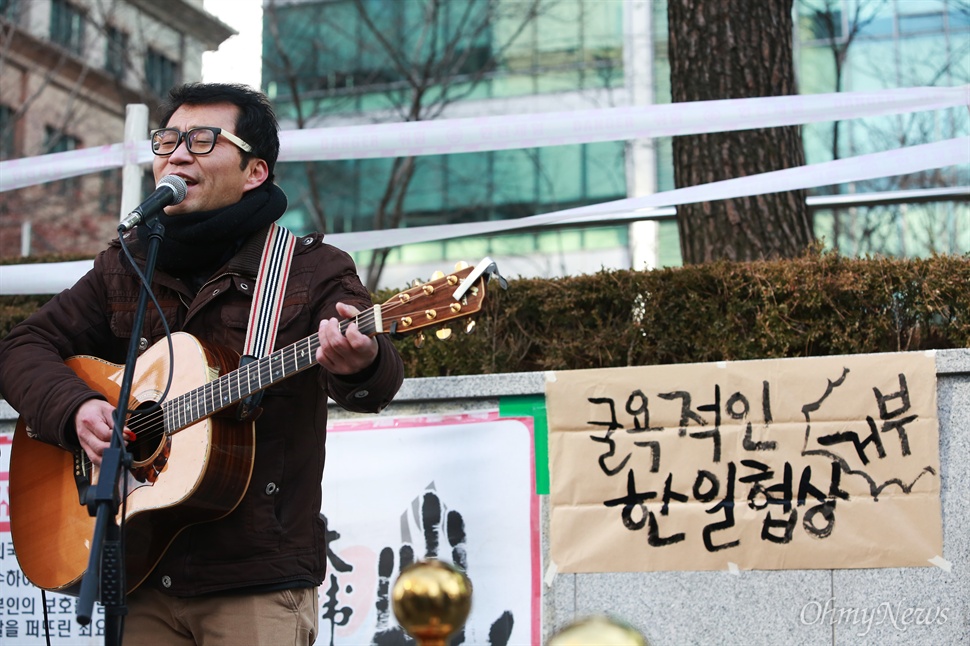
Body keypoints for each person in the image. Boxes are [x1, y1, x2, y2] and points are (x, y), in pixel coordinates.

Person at [0, 82, 405, 645]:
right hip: (140, 572)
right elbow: (22, 347)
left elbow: (378, 383)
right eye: (168, 140)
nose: (178, 154)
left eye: (203, 140)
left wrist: (359, 362)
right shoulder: (128, 265)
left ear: (255, 171)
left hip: (256, 582)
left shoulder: (311, 270)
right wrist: (77, 409)